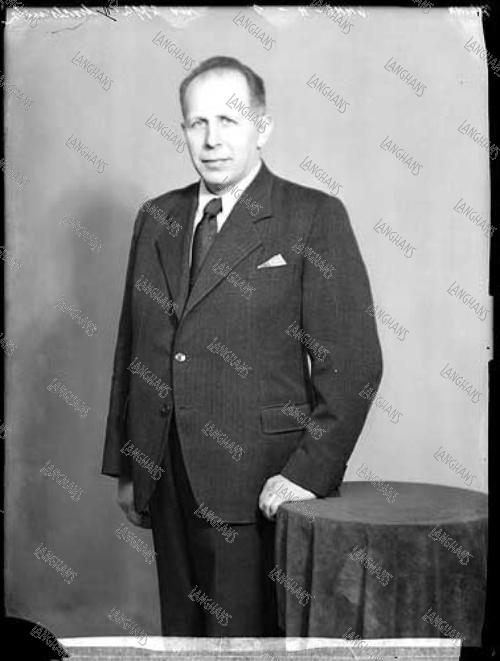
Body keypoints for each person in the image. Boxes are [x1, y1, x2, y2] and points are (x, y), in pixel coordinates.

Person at [101, 55, 382, 636]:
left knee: (244, 645)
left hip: (259, 485)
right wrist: (128, 466)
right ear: (183, 129)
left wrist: (310, 473)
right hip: (165, 476)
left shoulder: (313, 217)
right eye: (197, 123)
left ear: (263, 128)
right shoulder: (157, 218)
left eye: (228, 121)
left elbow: (354, 364)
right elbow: (133, 348)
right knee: (183, 641)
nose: (212, 140)